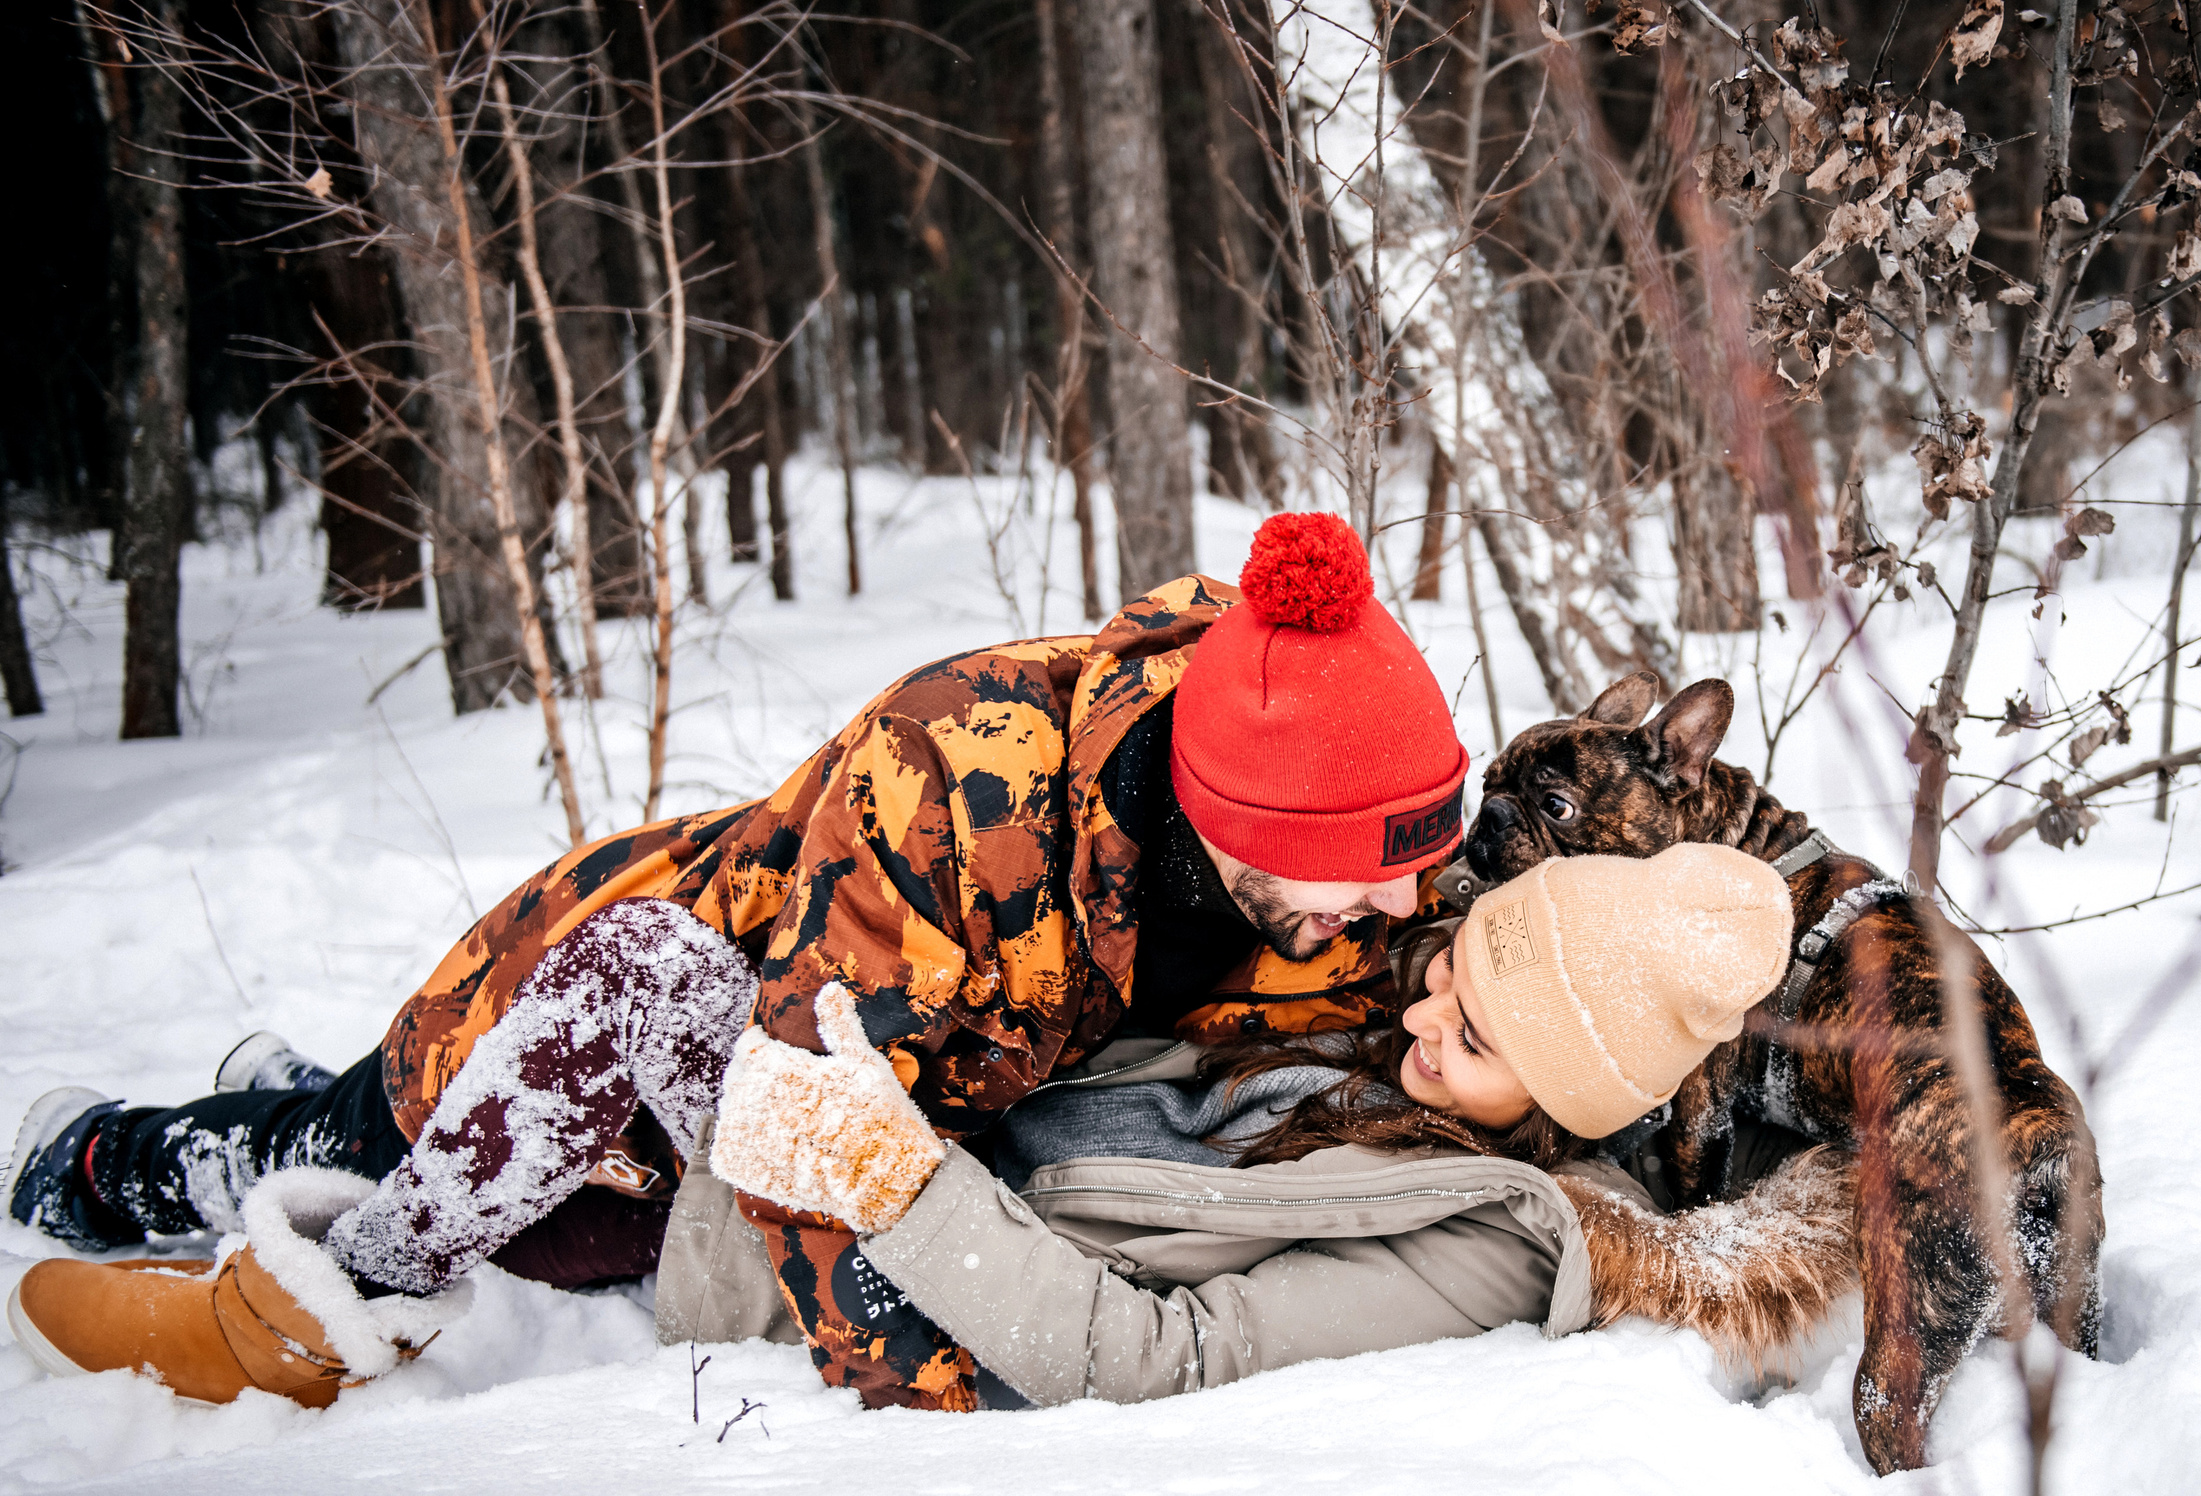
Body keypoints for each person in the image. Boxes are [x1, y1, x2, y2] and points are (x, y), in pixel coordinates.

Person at [7, 512, 1473, 1402]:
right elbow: (800, 1118)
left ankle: (270, 1094)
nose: (1402, 911)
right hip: (611, 1040)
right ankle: (89, 1168)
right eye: (1370, 878)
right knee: (347, 1133)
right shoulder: (952, 773)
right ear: (1230, 823)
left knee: (344, 1114)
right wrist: (923, 1395)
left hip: (812, 1080)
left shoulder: (1310, 807)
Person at [12, 846, 1861, 1412]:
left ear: (1583, 1099)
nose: (1429, 1003)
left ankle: (312, 1316)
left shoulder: (1477, 1243)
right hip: (893, 1156)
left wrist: (885, 1174)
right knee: (480, 1087)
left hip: (891, 1275)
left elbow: (1152, 1345)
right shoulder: (1392, 1060)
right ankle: (181, 1155)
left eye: (1485, 1026)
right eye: (1458, 966)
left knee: (638, 978)